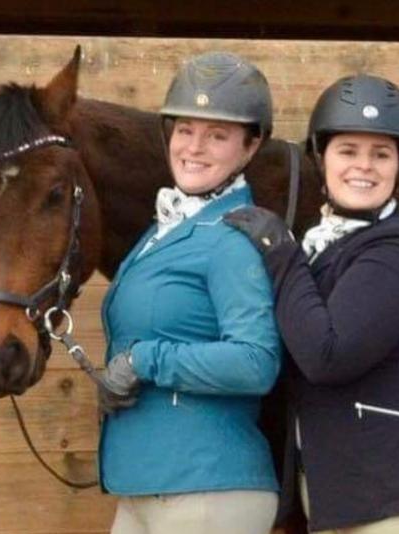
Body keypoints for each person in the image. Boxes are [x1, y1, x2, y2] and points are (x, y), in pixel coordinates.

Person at [225, 74, 399, 533]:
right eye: (348, 151)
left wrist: (281, 252)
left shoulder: (398, 253)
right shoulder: (327, 248)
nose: (365, 166)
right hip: (366, 497)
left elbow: (327, 355)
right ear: (321, 157)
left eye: (381, 154)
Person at [97, 51, 282, 534]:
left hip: (207, 488)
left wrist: (145, 360)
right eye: (185, 130)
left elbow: (255, 361)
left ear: (249, 147)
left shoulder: (230, 238)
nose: (194, 148)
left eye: (217, 135)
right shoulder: (165, 229)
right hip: (145, 485)